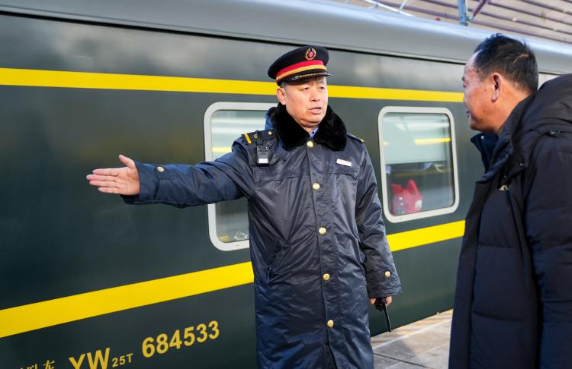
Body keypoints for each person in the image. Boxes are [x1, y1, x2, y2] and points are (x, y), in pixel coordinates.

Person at [87, 45, 402, 369]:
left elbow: (369, 220)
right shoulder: (255, 153)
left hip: (347, 301)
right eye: (304, 88)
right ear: (281, 95)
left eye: (321, 87)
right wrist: (150, 180)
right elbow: (204, 180)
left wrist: (382, 278)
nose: (316, 97)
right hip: (290, 310)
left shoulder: (352, 151)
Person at [449, 34, 572, 368]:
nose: (462, 97)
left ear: (495, 85)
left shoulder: (556, 156)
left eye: (466, 84)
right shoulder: (516, 155)